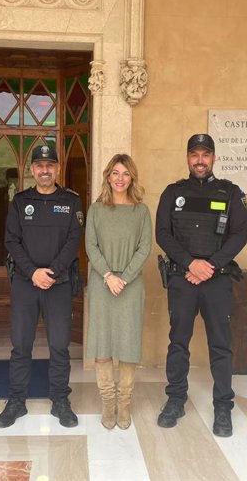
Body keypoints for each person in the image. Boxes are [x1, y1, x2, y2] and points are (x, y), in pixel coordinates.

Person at [156, 134, 247, 435]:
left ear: (213, 158)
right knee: (178, 343)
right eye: (194, 154)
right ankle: (175, 401)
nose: (199, 160)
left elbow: (238, 236)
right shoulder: (172, 193)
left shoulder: (232, 193)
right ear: (187, 158)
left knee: (220, 346)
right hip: (183, 280)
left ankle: (223, 408)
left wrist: (210, 265)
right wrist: (189, 263)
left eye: (205, 154)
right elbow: (163, 235)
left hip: (216, 281)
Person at [0, 144, 83, 429]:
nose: (45, 170)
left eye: (50, 165)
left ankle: (60, 400)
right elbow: (11, 241)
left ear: (57, 169)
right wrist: (33, 272)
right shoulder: (21, 201)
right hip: (25, 283)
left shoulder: (71, 201)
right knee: (21, 346)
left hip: (58, 284)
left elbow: (73, 241)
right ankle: (16, 401)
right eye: (39, 165)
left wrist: (53, 272)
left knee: (59, 346)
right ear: (31, 170)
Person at [85, 154, 152, 430]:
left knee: (127, 345)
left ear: (132, 177)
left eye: (125, 173)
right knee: (102, 345)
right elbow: (91, 246)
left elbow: (144, 248)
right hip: (103, 285)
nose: (120, 178)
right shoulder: (96, 210)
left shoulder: (141, 211)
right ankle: (108, 403)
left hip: (131, 287)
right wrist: (109, 276)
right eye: (115, 173)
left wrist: (123, 277)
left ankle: (124, 403)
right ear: (108, 177)